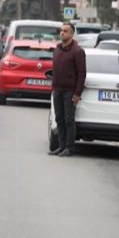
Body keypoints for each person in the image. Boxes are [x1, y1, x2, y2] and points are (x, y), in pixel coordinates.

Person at [48, 22, 87, 157]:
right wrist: (53, 88)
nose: (62, 33)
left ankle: (70, 148)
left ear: (71, 34)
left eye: (65, 31)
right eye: (61, 30)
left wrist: (77, 93)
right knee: (59, 119)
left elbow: (82, 73)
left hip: (70, 91)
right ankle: (61, 146)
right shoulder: (57, 49)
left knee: (68, 120)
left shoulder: (77, 51)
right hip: (57, 90)